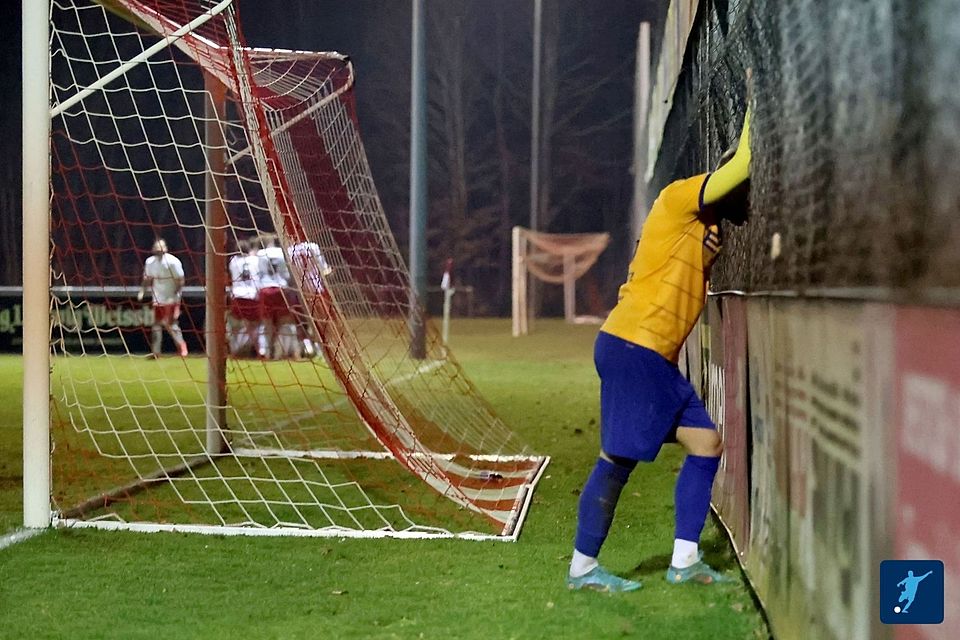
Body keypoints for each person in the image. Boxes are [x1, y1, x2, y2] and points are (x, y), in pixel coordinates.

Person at [566, 100, 753, 592]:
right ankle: (582, 570)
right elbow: (742, 166)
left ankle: (684, 561)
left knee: (706, 443)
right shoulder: (677, 198)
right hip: (637, 349)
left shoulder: (702, 231)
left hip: (646, 355)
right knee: (616, 460)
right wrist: (758, 108)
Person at [138, 238, 188, 358]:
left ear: (165, 248)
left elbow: (180, 280)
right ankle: (156, 352)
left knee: (170, 324)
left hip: (171, 297)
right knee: (156, 324)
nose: (158, 249)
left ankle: (182, 347)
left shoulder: (173, 262)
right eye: (156, 246)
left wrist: (176, 294)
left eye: (161, 246)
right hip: (158, 298)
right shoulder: (150, 262)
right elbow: (147, 278)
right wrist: (142, 291)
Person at [287, 239, 333, 358]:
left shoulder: (289, 250)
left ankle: (308, 347)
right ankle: (321, 350)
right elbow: (324, 269)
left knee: (302, 322)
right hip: (316, 290)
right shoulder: (313, 246)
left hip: (300, 292)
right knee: (321, 322)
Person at [256, 233, 292, 359]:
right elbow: (286, 274)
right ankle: (280, 351)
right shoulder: (282, 253)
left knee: (267, 323)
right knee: (283, 322)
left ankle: (267, 351)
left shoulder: (260, 254)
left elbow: (258, 274)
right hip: (280, 288)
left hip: (265, 289)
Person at [228, 237, 262, 357]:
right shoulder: (254, 260)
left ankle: (234, 351)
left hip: (237, 295)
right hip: (252, 295)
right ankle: (259, 351)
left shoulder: (233, 261)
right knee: (254, 327)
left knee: (235, 328)